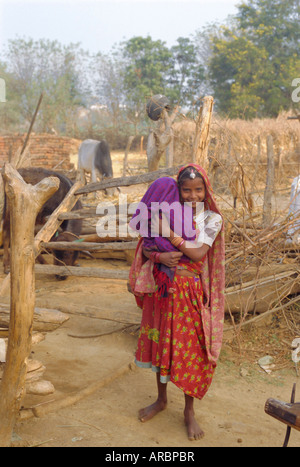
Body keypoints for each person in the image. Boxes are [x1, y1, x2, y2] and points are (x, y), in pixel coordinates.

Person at [128, 164, 225, 441]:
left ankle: (189, 411)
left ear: (206, 190)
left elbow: (196, 254)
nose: (192, 196)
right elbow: (146, 247)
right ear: (178, 191)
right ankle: (160, 400)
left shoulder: (211, 219)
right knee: (160, 345)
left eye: (198, 190)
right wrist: (159, 258)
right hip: (163, 290)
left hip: (188, 293)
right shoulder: (166, 210)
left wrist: (170, 234)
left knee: (189, 350)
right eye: (186, 190)